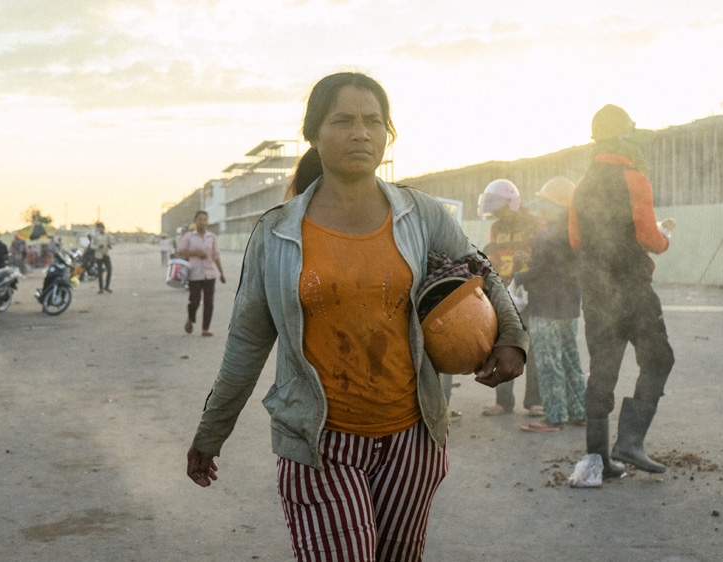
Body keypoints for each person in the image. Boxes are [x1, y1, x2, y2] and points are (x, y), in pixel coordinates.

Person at [185, 72, 528, 562]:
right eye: (342, 120)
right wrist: (210, 432)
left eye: (373, 121)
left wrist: (512, 338)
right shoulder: (278, 233)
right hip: (318, 444)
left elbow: (482, 271)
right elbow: (245, 343)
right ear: (314, 133)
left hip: (413, 441)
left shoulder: (420, 213)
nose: (360, 133)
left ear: (387, 133)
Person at [570, 104, 676, 478]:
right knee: (659, 359)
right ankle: (630, 443)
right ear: (625, 137)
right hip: (631, 288)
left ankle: (597, 461)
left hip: (597, 291)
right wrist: (662, 237)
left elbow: (576, 238)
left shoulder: (582, 184)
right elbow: (649, 237)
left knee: (602, 371)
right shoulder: (635, 179)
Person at [513, 177, 586, 433]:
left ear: (556, 206)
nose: (541, 210)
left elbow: (541, 271)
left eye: (545, 204)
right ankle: (580, 412)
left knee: (548, 363)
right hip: (568, 308)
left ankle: (554, 418)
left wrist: (519, 277)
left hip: (545, 309)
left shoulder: (546, 235)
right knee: (570, 359)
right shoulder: (576, 234)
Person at [477, 178, 543, 417]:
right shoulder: (496, 228)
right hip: (504, 291)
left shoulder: (534, 224)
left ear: (512, 203)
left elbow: (542, 255)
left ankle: (535, 401)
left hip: (529, 289)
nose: (497, 213)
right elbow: (494, 259)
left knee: (531, 348)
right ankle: (504, 402)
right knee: (504, 345)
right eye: (494, 208)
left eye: (500, 207)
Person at [176, 210, 225, 337]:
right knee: (195, 301)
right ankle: (190, 319)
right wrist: (196, 253)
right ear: (195, 221)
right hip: (194, 274)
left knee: (209, 302)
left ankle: (205, 328)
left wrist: (221, 273)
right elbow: (180, 252)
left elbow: (216, 256)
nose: (202, 222)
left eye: (205, 219)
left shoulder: (212, 237)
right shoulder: (189, 237)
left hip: (210, 274)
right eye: (200, 219)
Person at [89, 222, 113, 293]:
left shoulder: (107, 235)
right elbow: (92, 246)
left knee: (109, 269)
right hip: (98, 255)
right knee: (100, 272)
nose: (100, 229)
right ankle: (101, 288)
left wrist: (109, 245)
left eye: (102, 228)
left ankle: (107, 286)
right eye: (99, 228)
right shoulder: (95, 236)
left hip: (106, 254)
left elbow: (110, 245)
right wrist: (98, 246)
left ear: (104, 228)